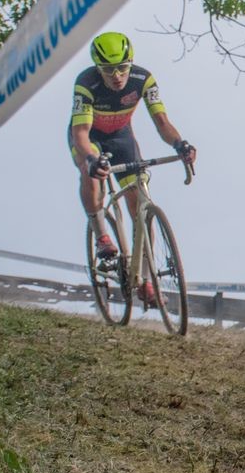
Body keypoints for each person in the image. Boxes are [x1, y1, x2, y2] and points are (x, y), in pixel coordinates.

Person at [70, 32, 197, 306]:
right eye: (108, 69)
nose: (117, 76)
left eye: (122, 68)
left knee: (140, 201)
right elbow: (80, 132)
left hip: (120, 137)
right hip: (90, 138)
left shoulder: (143, 79)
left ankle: (143, 279)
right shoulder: (86, 83)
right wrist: (91, 159)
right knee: (89, 171)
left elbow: (162, 122)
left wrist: (180, 144)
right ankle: (101, 233)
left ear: (131, 63)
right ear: (97, 68)